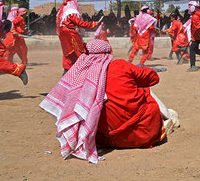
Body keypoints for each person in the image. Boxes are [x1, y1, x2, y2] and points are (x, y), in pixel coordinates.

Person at [39, 40, 179, 163]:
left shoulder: (80, 78)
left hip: (103, 140)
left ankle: (166, 118)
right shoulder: (119, 66)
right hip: (142, 134)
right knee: (144, 90)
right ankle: (167, 119)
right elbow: (153, 78)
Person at [56, 0, 100, 74]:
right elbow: (80, 23)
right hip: (70, 33)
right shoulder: (71, 12)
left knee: (68, 52)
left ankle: (66, 71)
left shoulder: (64, 10)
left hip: (64, 33)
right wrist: (93, 24)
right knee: (79, 50)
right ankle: (85, 70)